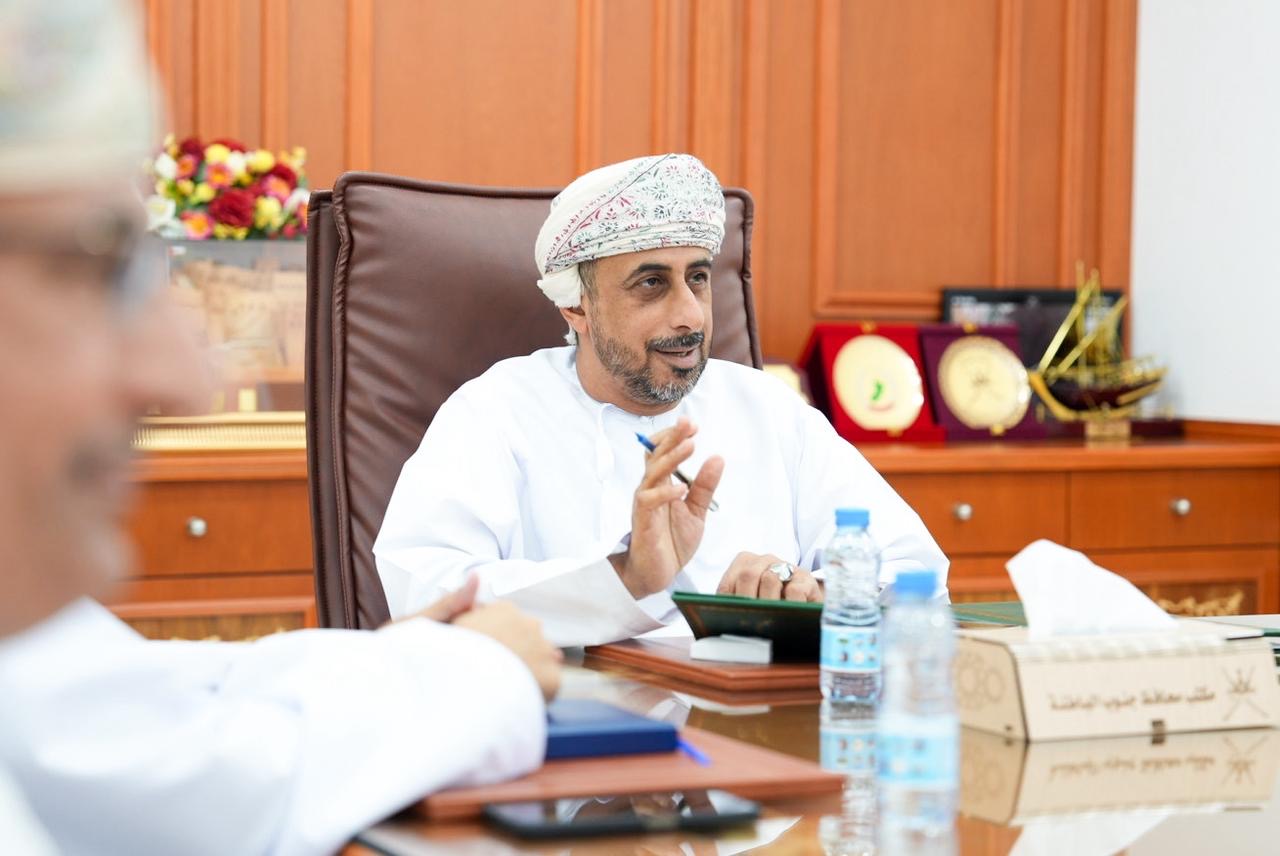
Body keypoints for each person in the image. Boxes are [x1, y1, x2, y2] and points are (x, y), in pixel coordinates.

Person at [0, 1, 561, 853]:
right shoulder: (494, 404)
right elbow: (188, 784)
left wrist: (392, 662)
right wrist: (479, 671)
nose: (191, 383)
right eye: (100, 264)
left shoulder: (754, 408)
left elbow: (102, 693)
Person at [375, 153, 948, 647]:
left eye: (697, 278)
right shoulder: (495, 411)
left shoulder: (767, 409)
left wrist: (810, 595)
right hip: (570, 727)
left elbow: (917, 578)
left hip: (752, 726)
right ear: (575, 307)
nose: (691, 316)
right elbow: (427, 597)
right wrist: (625, 577)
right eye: (651, 284)